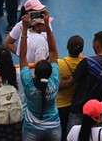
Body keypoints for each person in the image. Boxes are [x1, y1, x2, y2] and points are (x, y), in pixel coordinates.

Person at [19, 11, 63, 140]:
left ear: (35, 73)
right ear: (50, 73)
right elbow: (53, 51)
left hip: (31, 127)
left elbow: (22, 57)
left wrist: (25, 29)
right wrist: (47, 26)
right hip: (53, 127)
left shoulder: (28, 83)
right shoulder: (54, 81)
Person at [70, 31, 102, 128]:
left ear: (97, 44)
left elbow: (72, 82)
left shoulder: (87, 62)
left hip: (79, 110)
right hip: (98, 112)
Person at [57, 35, 85, 141]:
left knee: (62, 131)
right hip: (77, 104)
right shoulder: (84, 62)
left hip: (61, 104)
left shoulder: (60, 63)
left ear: (67, 47)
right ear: (81, 49)